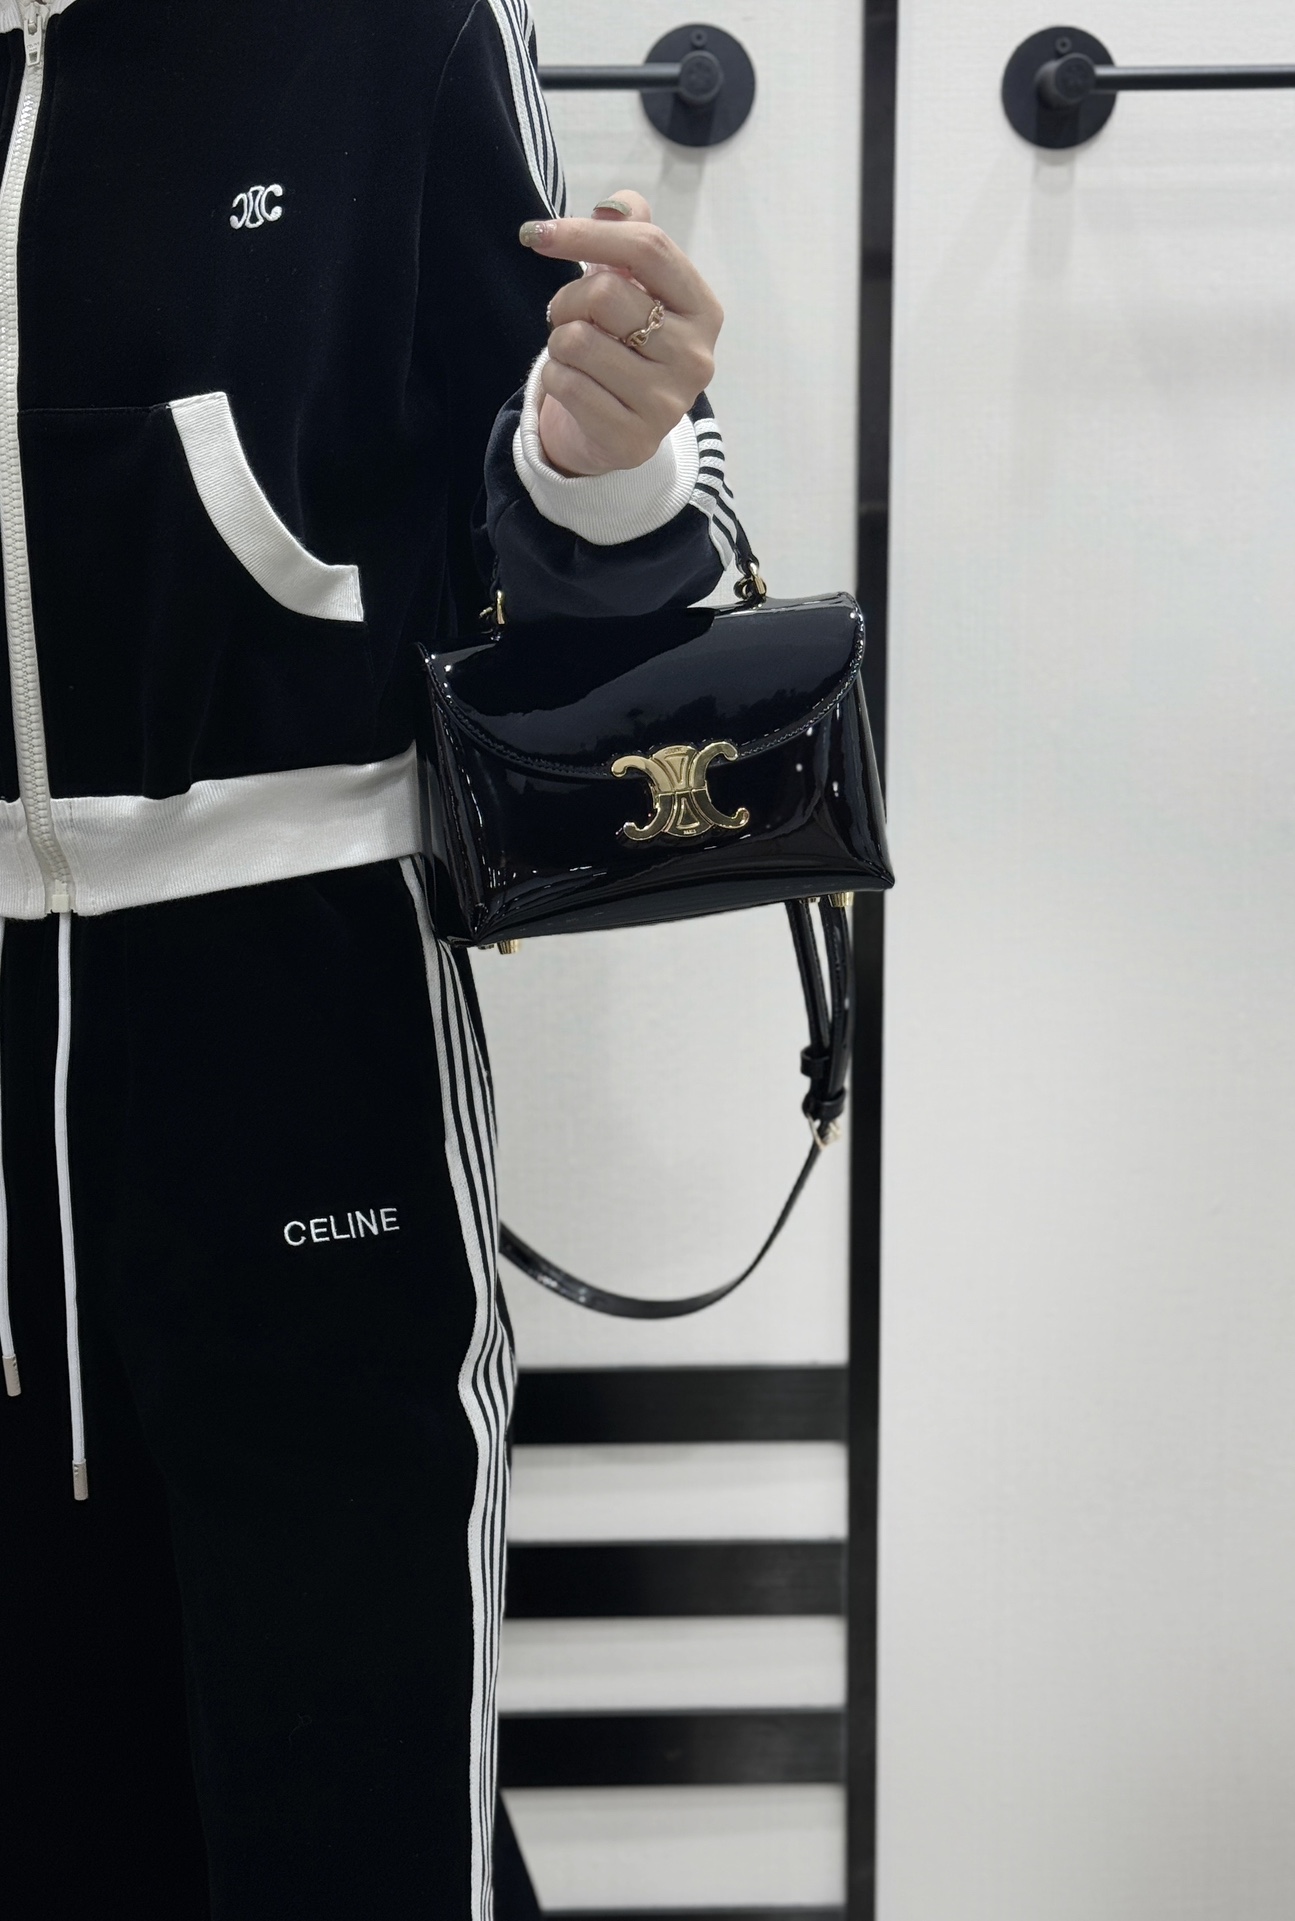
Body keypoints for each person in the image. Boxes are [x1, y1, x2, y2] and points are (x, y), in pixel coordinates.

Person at [0, 2, 736, 1915]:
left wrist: (606, 471)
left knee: (348, 1805)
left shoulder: (388, 25)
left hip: (294, 1010)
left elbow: (598, 590)